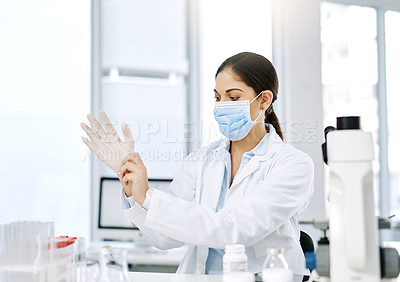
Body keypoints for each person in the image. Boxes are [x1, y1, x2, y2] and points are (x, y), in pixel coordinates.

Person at [82, 52, 314, 281]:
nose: (222, 106)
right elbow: (164, 238)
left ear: (264, 100)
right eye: (217, 97)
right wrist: (135, 190)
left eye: (232, 98)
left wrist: (150, 198)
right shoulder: (201, 160)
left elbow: (234, 229)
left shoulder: (293, 165)